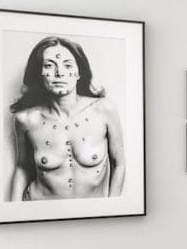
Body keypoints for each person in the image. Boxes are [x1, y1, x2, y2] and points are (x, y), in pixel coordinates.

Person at [8, 36, 124, 201]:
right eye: (49, 65)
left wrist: (113, 208)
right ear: (39, 73)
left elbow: (119, 164)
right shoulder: (26, 119)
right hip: (40, 210)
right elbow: (22, 167)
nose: (59, 73)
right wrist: (14, 208)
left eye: (67, 65)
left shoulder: (104, 110)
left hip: (93, 213)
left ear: (79, 72)